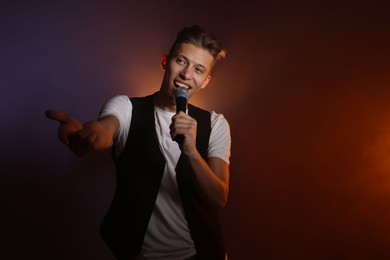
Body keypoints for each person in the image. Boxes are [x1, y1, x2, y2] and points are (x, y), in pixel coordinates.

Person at [46, 25, 231, 260]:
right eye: (181, 61)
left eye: (198, 69)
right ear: (165, 61)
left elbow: (218, 198)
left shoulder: (216, 124)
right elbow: (104, 130)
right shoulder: (125, 107)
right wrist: (84, 136)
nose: (186, 74)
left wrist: (192, 152)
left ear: (205, 80)